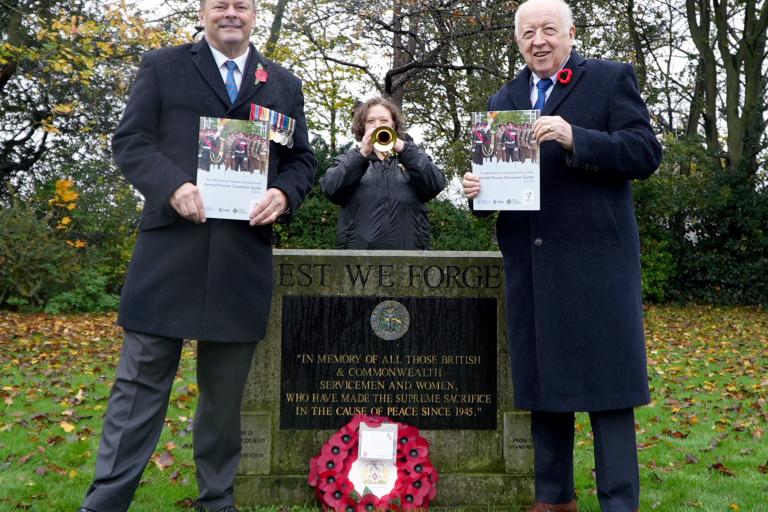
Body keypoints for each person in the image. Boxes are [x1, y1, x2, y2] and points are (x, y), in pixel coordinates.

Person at [77, 0, 316, 511]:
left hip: (241, 260)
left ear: (254, 14)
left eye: (241, 5)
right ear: (203, 12)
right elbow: (131, 141)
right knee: (138, 391)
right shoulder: (162, 66)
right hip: (169, 253)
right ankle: (105, 503)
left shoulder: (283, 83)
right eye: (219, 4)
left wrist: (284, 193)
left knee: (224, 401)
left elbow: (301, 159)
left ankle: (217, 501)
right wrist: (172, 185)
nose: (231, 13)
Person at [462, 0, 662, 511]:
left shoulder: (610, 79)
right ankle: (553, 499)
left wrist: (577, 138)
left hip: (598, 268)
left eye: (549, 29)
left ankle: (619, 502)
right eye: (528, 32)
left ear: (571, 33)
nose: (539, 41)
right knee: (544, 388)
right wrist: (477, 192)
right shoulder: (504, 98)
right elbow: (501, 191)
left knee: (610, 395)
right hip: (532, 268)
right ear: (517, 41)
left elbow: (645, 152)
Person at [320, 97, 446, 250]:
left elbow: (436, 184)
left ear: (393, 125)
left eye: (384, 120)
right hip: (359, 258)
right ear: (363, 127)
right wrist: (361, 155)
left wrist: (405, 150)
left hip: (410, 258)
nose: (377, 125)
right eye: (370, 121)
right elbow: (331, 189)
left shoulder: (411, 159)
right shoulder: (348, 160)